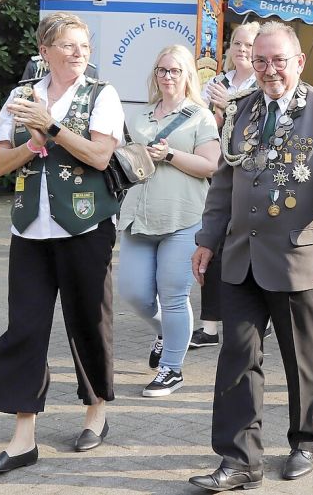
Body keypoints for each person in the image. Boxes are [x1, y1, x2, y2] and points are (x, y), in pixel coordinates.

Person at [188, 21, 313, 490]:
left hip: (297, 260)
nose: (269, 70)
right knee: (237, 357)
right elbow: (224, 183)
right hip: (241, 256)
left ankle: (304, 442)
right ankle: (240, 458)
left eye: (278, 61)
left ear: (299, 62)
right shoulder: (242, 111)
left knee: (302, 359)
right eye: (260, 60)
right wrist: (207, 239)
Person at [0, 12, 125, 472]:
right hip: (29, 230)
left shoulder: (102, 95)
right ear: (45, 51)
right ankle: (23, 438)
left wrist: (53, 128)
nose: (79, 53)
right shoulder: (20, 97)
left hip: (85, 226)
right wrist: (34, 145)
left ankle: (96, 409)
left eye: (84, 46)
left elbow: (101, 154)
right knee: (26, 327)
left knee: (88, 324)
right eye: (68, 45)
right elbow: (0, 165)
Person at [116, 45, 219, 396]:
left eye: (175, 70)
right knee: (133, 292)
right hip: (138, 214)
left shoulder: (200, 117)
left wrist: (171, 154)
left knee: (174, 295)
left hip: (183, 217)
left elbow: (211, 165)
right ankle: (166, 332)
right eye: (162, 70)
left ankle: (171, 368)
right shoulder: (140, 116)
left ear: (187, 75)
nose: (168, 76)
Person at [191, 21, 261, 350]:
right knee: (212, 244)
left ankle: (259, 318)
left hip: (250, 176)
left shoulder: (261, 84)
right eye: (237, 43)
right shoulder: (216, 82)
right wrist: (218, 109)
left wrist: (228, 104)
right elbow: (205, 126)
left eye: (249, 44)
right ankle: (209, 326)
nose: (242, 50)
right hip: (218, 174)